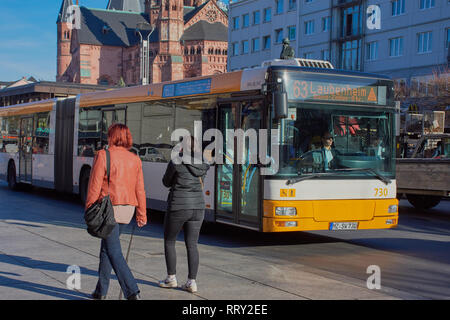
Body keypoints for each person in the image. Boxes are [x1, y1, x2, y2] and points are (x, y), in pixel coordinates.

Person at [85, 123, 147, 300]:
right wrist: (141, 213)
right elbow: (140, 189)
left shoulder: (103, 155)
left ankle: (132, 291)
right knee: (106, 248)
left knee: (114, 251)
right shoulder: (135, 159)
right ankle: (100, 291)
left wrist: (89, 208)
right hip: (127, 209)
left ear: (111, 136)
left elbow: (94, 185)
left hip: (108, 210)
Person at [159, 136, 210, 293]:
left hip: (179, 205)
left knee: (169, 241)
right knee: (192, 244)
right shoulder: (203, 163)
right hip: (198, 207)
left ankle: (171, 278)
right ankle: (191, 282)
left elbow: (166, 182)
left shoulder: (176, 160)